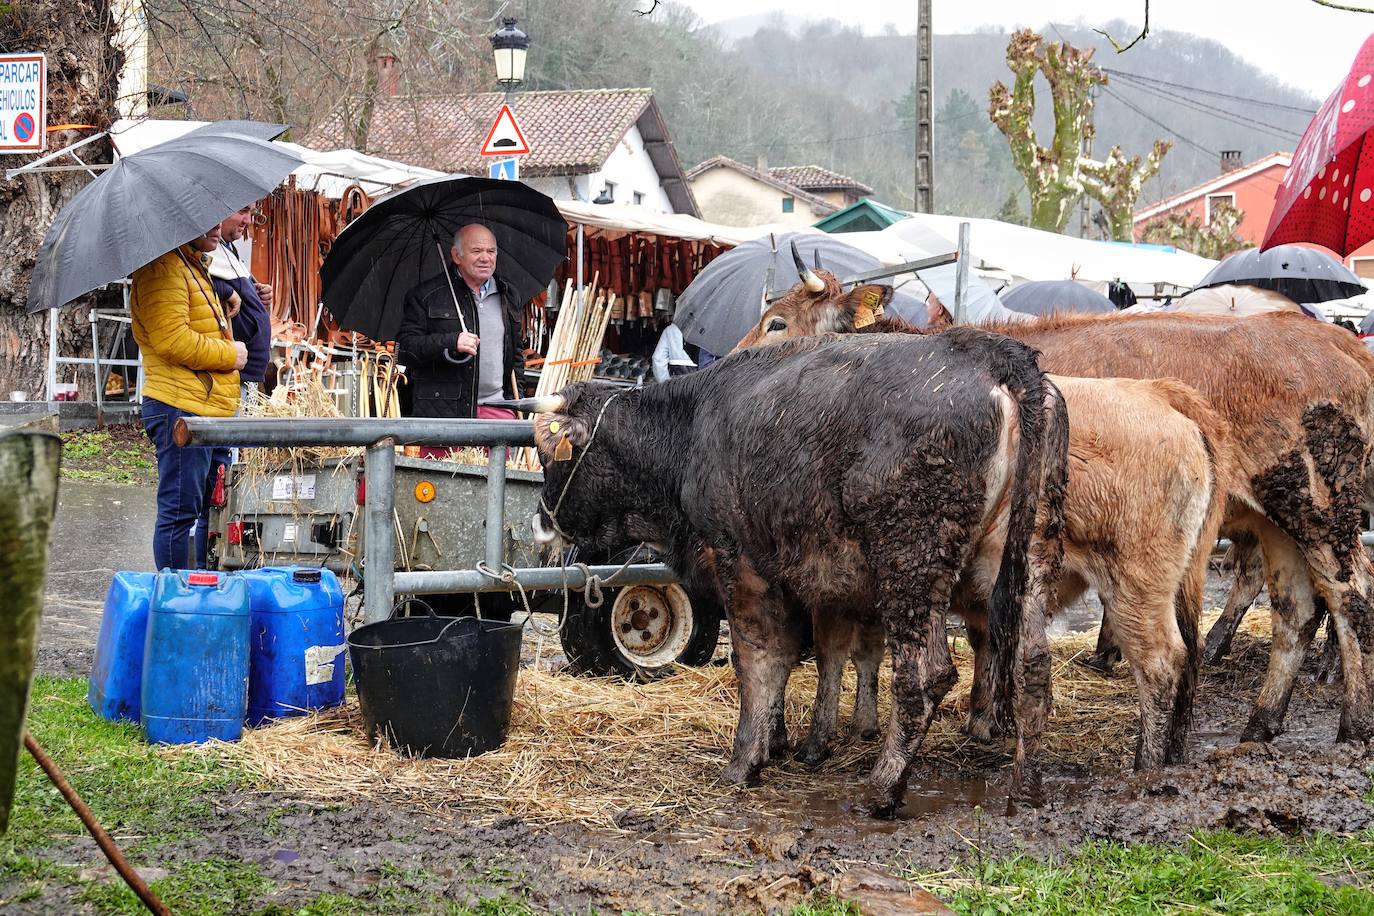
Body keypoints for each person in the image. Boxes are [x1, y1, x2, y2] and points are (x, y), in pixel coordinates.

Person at [131, 226, 247, 570]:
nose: (218, 229)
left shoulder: (190, 264)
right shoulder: (163, 268)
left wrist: (221, 300)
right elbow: (173, 340)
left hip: (206, 408)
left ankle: (198, 590)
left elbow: (188, 324)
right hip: (180, 408)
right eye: (207, 222)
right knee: (179, 511)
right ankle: (175, 599)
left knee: (209, 511)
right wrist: (230, 354)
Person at [396, 224, 526, 457]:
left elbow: (515, 355)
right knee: (441, 490)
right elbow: (405, 348)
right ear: (456, 256)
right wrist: (449, 342)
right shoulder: (426, 295)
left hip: (497, 411)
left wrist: (516, 403)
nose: (486, 258)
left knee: (496, 488)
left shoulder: (509, 295)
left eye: (491, 251)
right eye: (477, 251)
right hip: (444, 416)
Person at [195, 203, 276, 568]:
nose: (247, 221)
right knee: (216, 485)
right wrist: (228, 291)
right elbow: (203, 287)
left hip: (243, 378)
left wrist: (259, 297)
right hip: (228, 378)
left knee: (229, 478)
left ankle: (222, 561)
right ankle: (206, 566)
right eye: (241, 211)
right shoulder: (204, 257)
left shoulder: (229, 250)